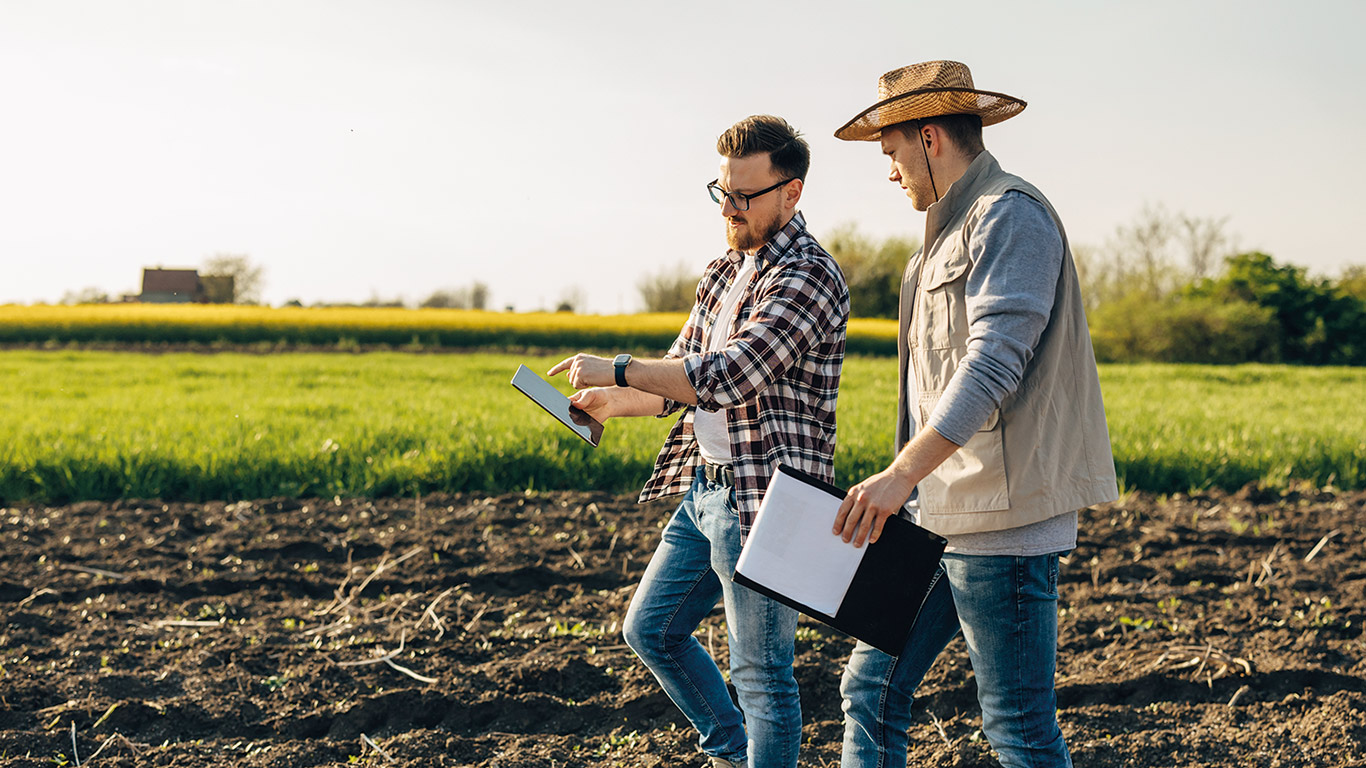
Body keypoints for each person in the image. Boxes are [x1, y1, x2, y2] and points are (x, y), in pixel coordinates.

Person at [828, 61, 1119, 768]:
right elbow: (927, 384)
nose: (889, 173)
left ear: (929, 138)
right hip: (939, 513)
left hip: (1004, 524)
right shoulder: (932, 247)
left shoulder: (1011, 215)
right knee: (869, 690)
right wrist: (908, 488)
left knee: (1017, 728)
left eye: (892, 154)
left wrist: (899, 475)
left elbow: (992, 363)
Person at [549, 114, 850, 768]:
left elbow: (733, 374)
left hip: (769, 502)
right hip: (706, 490)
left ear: (791, 193)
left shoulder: (808, 275)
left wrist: (619, 365)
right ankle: (730, 752)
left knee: (763, 675)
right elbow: (677, 379)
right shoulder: (720, 271)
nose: (730, 209)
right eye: (722, 193)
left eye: (744, 196)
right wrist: (611, 401)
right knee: (650, 630)